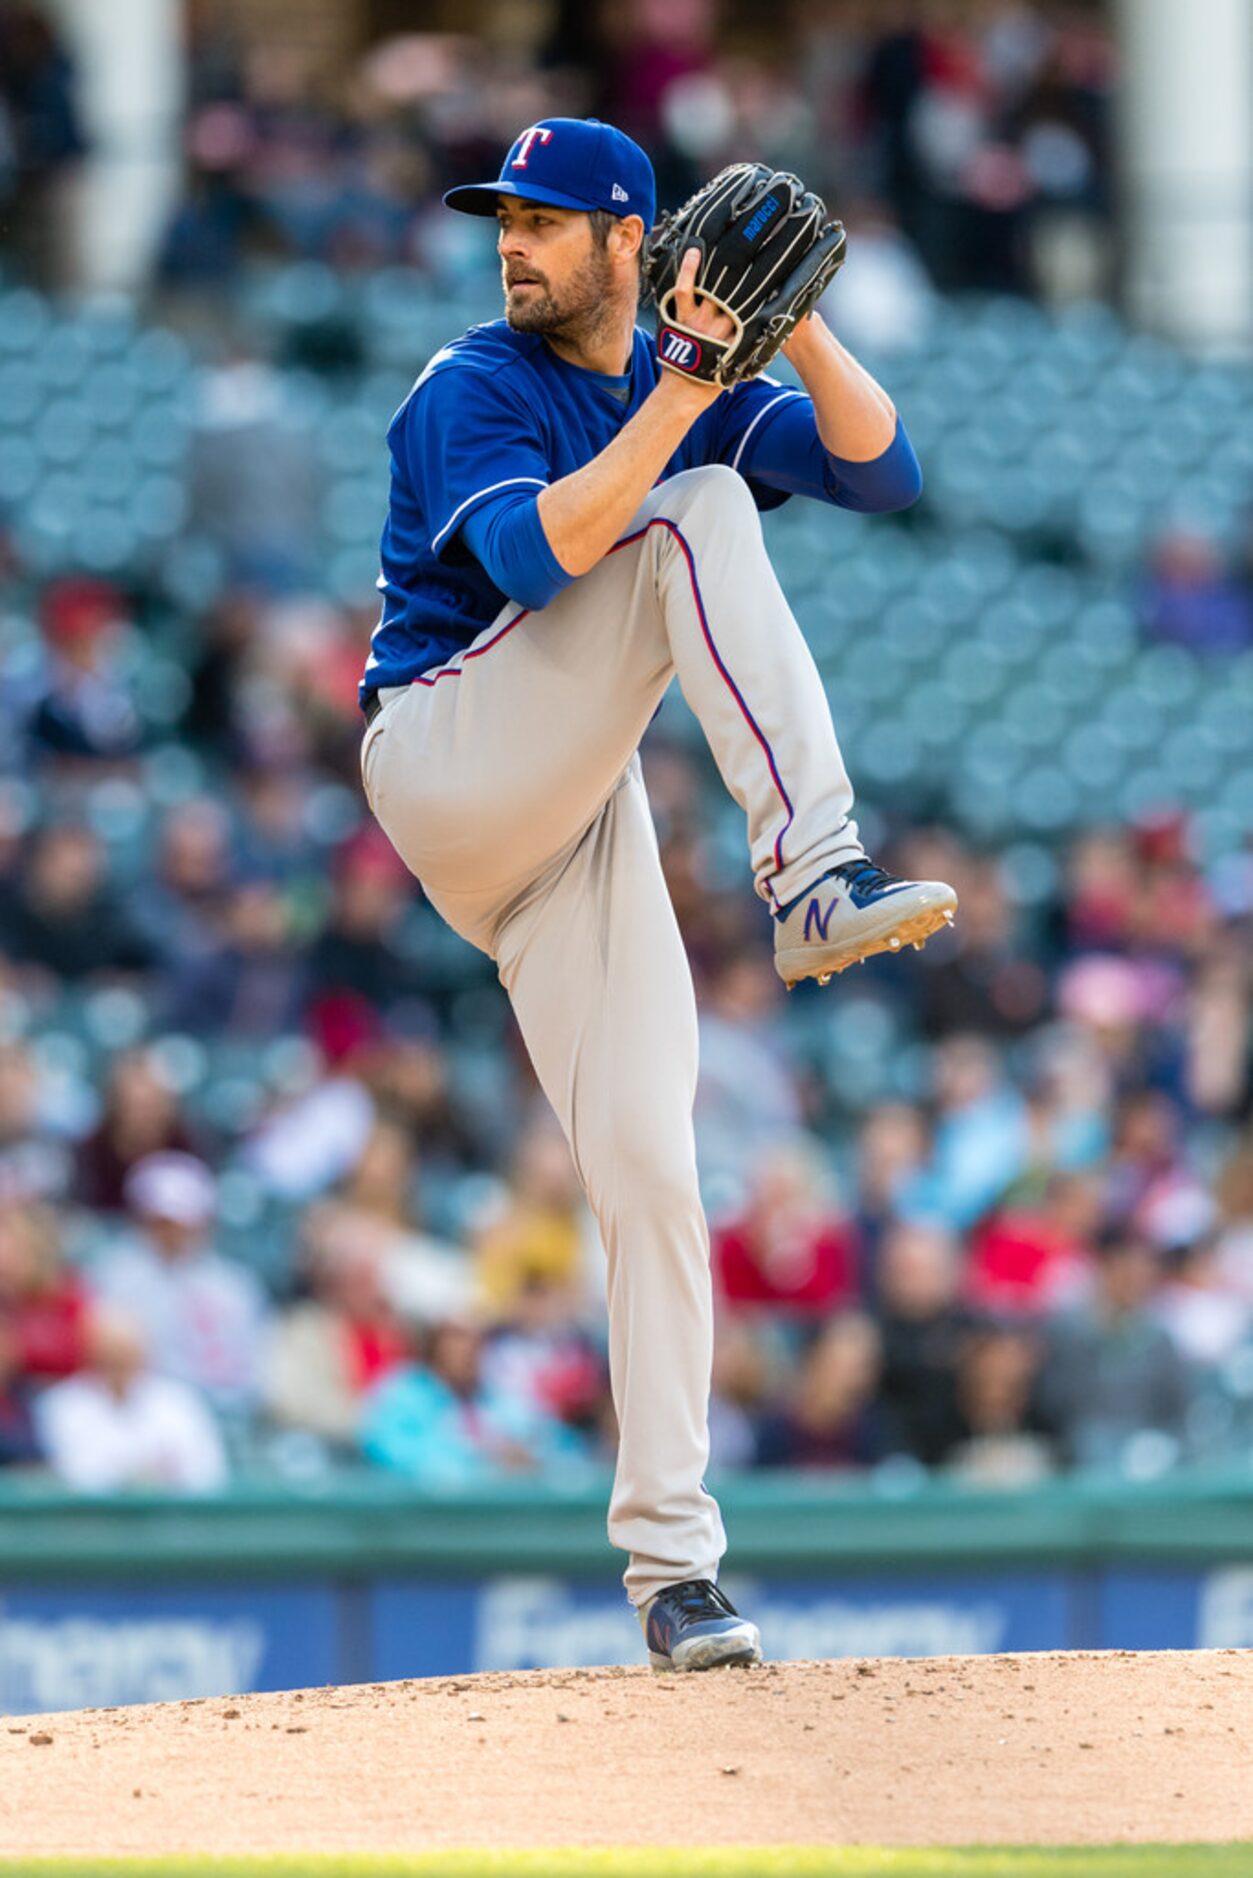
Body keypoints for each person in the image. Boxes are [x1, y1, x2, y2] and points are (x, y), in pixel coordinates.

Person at [356, 117, 956, 1672]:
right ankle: (811, 868)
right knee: (687, 512)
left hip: (570, 821)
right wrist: (689, 392)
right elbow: (547, 556)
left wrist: (794, 319)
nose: (514, 242)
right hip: (449, 747)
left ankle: (674, 1570)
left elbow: (883, 471)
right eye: (507, 217)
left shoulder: (678, 376)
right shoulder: (472, 384)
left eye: (549, 219)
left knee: (649, 1169)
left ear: (631, 242)